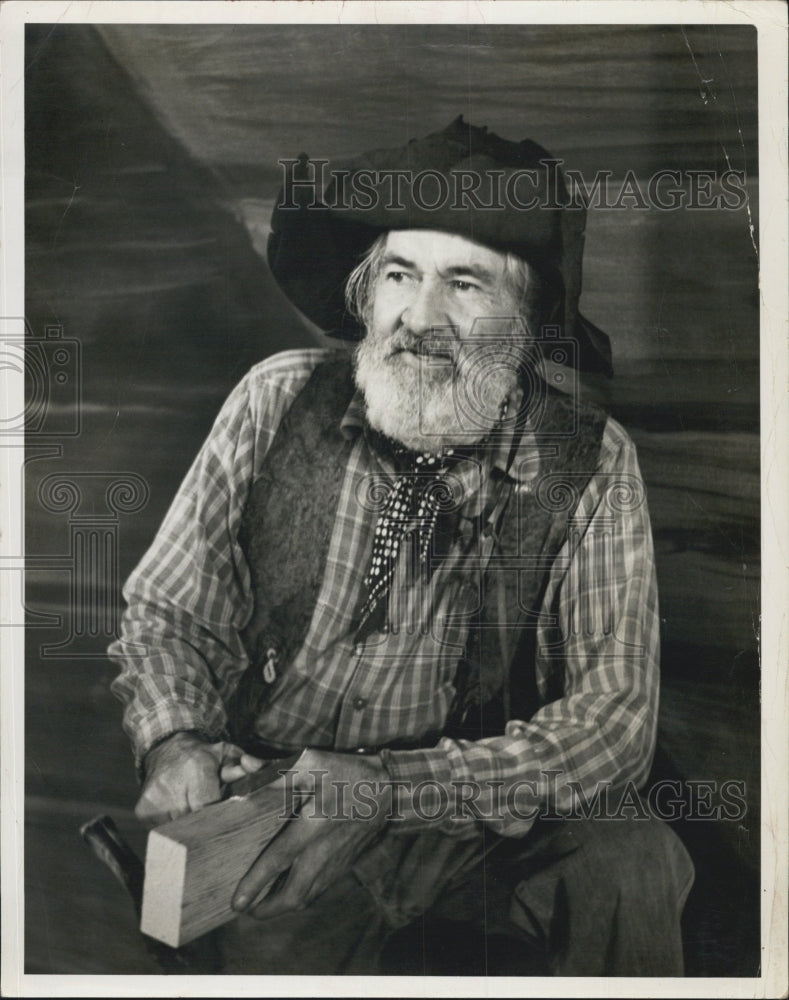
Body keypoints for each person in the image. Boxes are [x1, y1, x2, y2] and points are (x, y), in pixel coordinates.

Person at [109, 117, 694, 976]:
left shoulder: (589, 461)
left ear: (524, 322)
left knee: (631, 860)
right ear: (365, 294)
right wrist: (176, 740)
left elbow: (614, 723)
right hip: (285, 802)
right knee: (252, 949)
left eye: (465, 283)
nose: (420, 319)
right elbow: (169, 613)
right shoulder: (276, 400)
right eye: (399, 274)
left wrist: (392, 790)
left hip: (469, 814)